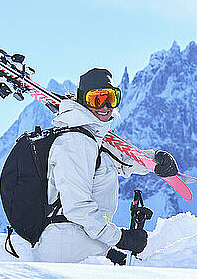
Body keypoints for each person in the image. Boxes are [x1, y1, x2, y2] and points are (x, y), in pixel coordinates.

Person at [33, 67, 178, 263]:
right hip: (67, 249)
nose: (105, 106)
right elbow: (77, 208)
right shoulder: (76, 142)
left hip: (83, 244)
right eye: (97, 99)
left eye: (111, 98)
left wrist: (154, 161)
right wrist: (121, 238)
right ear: (83, 101)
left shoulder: (93, 139)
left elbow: (120, 161)